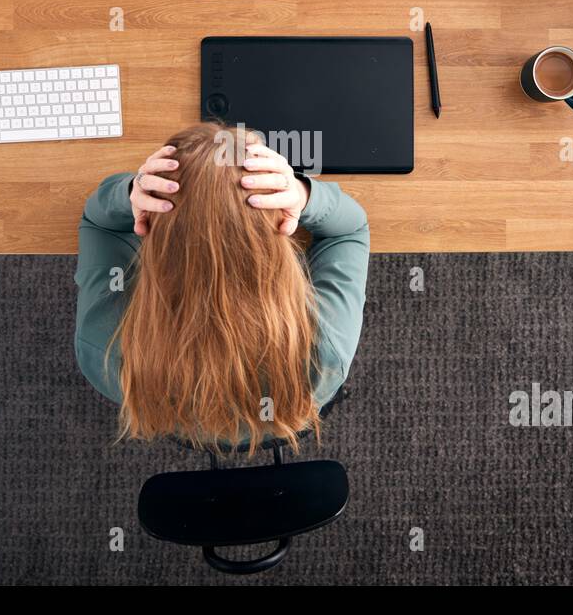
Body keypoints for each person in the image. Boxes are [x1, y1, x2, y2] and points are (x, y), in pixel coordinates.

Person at [74, 122, 370, 454]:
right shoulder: (324, 350)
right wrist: (303, 194)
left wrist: (129, 191)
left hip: (177, 418)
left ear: (151, 220)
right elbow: (350, 229)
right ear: (280, 221)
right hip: (283, 413)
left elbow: (99, 223)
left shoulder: (103, 351)